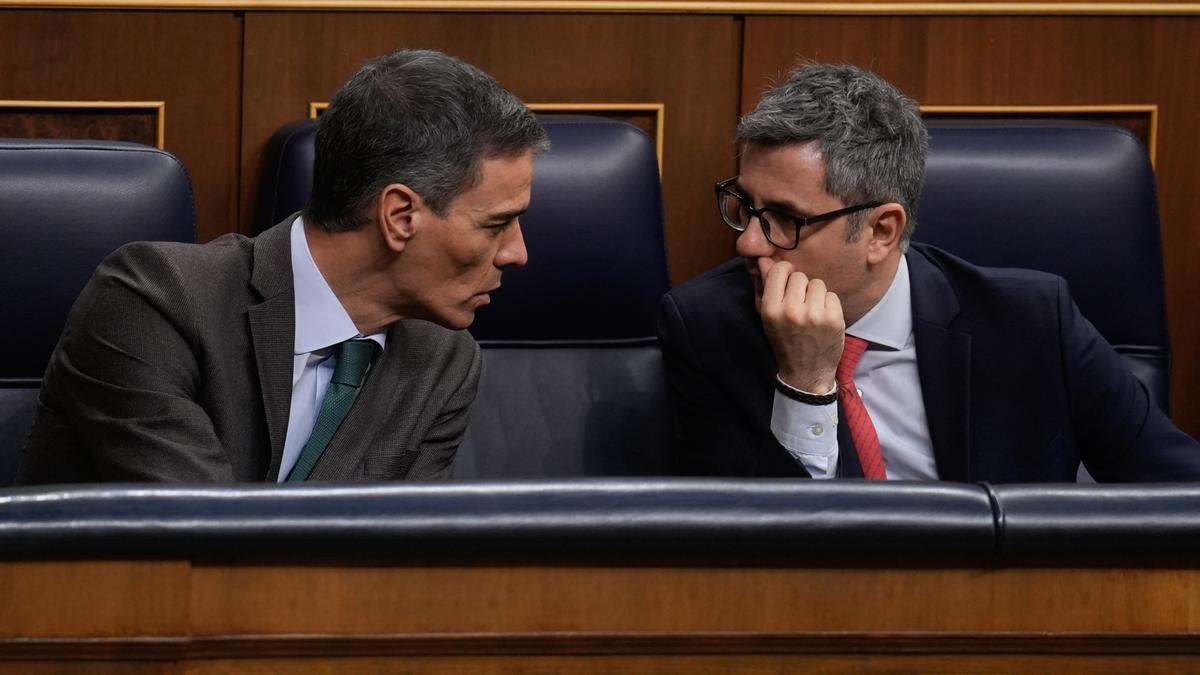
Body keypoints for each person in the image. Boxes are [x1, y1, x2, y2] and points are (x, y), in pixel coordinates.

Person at [16, 49, 548, 483]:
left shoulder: (443, 361)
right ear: (400, 216)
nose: (517, 253)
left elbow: (405, 565)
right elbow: (205, 547)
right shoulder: (154, 302)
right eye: (495, 225)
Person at [658, 62, 1200, 481]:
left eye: (784, 220)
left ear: (881, 231)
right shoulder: (709, 329)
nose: (748, 242)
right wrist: (804, 387)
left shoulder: (1033, 323)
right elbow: (735, 554)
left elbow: (1177, 498)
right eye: (745, 205)